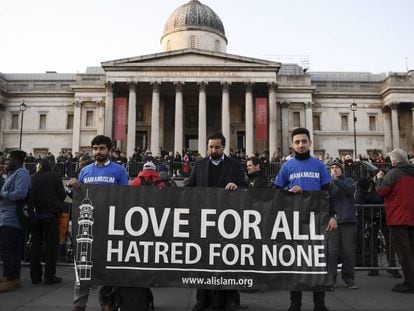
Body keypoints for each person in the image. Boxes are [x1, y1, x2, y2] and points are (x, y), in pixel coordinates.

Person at [272, 128, 337, 311]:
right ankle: (295, 304)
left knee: (318, 262)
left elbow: (328, 193)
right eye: (297, 142)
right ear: (292, 144)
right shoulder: (287, 166)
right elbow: (274, 191)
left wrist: (333, 216)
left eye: (304, 141)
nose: (301, 145)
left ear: (309, 143)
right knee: (296, 263)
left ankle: (320, 304)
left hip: (318, 219)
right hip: (295, 220)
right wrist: (287, 192)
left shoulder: (319, 165)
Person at [67, 135, 130, 311]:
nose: (98, 152)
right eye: (95, 148)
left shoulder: (119, 171)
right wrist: (74, 187)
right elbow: (79, 198)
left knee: (108, 267)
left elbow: (126, 196)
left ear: (109, 150)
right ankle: (79, 304)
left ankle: (106, 303)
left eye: (101, 148)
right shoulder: (85, 171)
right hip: (88, 227)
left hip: (110, 225)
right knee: (83, 266)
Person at [186, 132, 248, 311]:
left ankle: (228, 298)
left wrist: (237, 187)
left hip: (227, 221)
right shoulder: (199, 165)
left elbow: (244, 187)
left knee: (226, 261)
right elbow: (190, 187)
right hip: (204, 220)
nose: (213, 150)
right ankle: (202, 300)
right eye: (211, 147)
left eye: (217, 147)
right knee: (202, 261)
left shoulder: (235, 166)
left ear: (224, 147)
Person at [375, 148, 414, 293]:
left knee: (404, 253)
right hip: (411, 215)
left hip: (399, 216)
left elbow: (382, 191)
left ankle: (410, 283)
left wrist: (379, 178)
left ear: (394, 161)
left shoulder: (393, 173)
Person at [28, 158, 66, 285]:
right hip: (51, 215)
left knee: (35, 245)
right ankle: (49, 276)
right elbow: (62, 195)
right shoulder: (54, 176)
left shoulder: (32, 177)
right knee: (51, 246)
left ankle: (35, 276)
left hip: (35, 215)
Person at [355, 178, 401, 278]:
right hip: (373, 220)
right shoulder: (360, 195)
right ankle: (376, 267)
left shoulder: (366, 193)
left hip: (382, 218)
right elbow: (362, 210)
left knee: (388, 243)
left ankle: (390, 267)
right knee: (374, 244)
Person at [0, 150, 31, 293]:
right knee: (11, 249)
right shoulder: (12, 174)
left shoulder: (22, 174)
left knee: (8, 249)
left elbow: (21, 193)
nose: (6, 162)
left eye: (9, 159)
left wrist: (3, 194)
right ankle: (13, 278)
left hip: (12, 218)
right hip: (7, 216)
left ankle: (10, 278)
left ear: (18, 160)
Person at [328, 161, 358, 289]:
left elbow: (350, 191)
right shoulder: (328, 183)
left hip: (348, 221)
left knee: (348, 251)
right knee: (332, 251)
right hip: (333, 221)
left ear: (341, 170)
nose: (334, 169)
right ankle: (331, 279)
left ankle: (349, 278)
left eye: (337, 167)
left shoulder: (349, 181)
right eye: (332, 168)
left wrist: (337, 181)